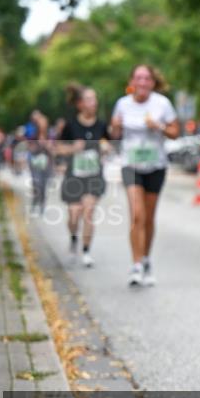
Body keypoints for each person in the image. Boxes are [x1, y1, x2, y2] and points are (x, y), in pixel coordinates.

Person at [110, 64, 179, 286]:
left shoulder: (162, 104)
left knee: (148, 218)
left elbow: (175, 133)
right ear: (131, 81)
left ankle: (147, 258)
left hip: (156, 166)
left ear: (152, 82)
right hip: (131, 165)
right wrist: (115, 128)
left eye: (146, 78)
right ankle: (136, 264)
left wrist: (157, 126)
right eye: (138, 78)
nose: (142, 82)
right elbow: (114, 135)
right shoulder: (122, 104)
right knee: (137, 215)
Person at [57, 83, 110, 267]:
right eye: (89, 99)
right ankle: (73, 238)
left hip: (93, 176)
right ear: (80, 104)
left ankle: (86, 251)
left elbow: (108, 143)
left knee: (89, 212)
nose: (93, 102)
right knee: (74, 214)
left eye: (94, 99)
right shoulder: (70, 125)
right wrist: (73, 148)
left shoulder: (102, 125)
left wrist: (105, 148)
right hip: (74, 175)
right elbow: (59, 148)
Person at [27, 111, 53, 217]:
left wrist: (47, 145)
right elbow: (29, 147)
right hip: (35, 162)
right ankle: (35, 202)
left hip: (46, 163)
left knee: (43, 185)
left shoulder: (50, 136)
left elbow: (53, 150)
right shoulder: (33, 135)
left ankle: (42, 204)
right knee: (36, 183)